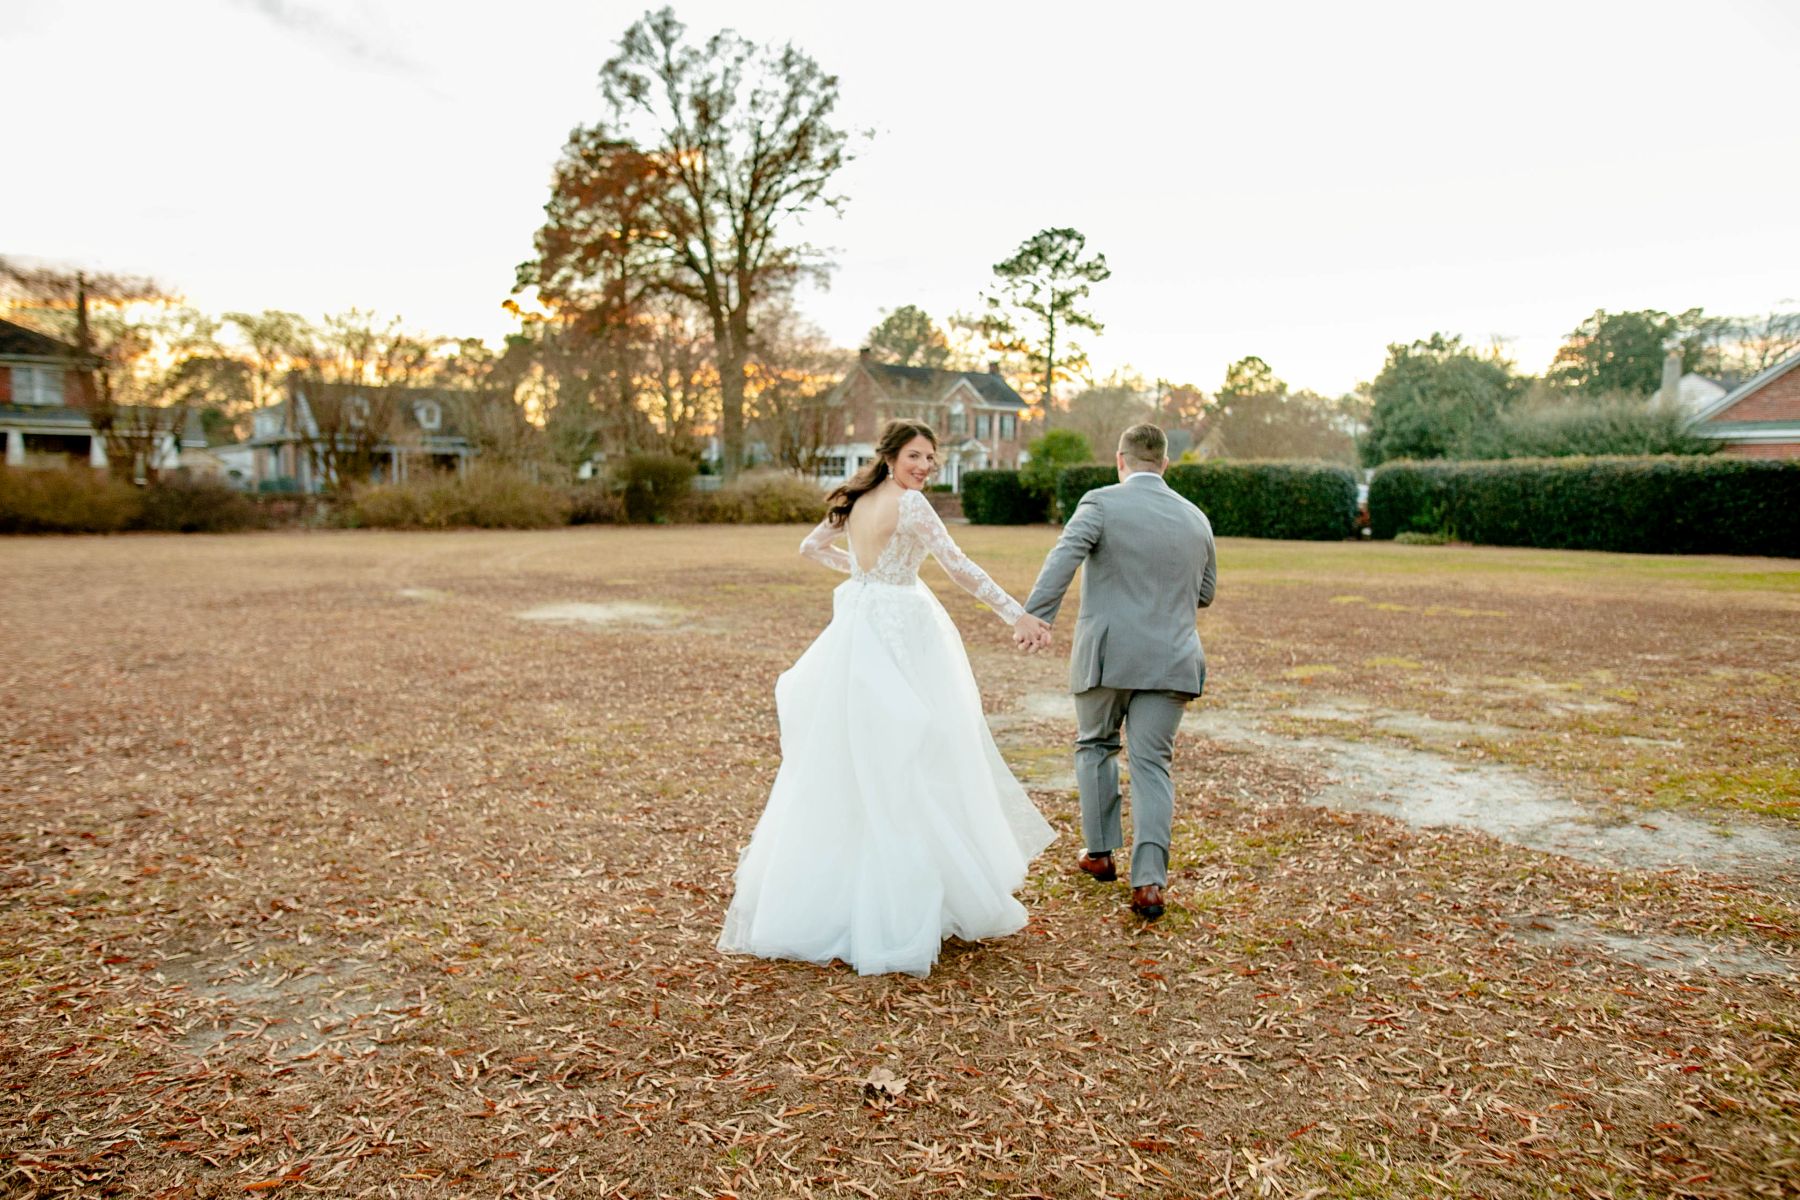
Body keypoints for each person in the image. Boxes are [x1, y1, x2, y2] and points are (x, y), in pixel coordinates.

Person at [718, 420, 1057, 978]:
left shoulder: (856, 499)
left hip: (857, 622)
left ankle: (836, 897)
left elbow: (810, 547)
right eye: (916, 456)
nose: (925, 467)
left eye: (931, 458)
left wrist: (860, 573)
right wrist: (1015, 613)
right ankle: (902, 905)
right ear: (892, 456)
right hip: (897, 626)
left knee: (860, 752)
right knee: (912, 752)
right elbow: (959, 569)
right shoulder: (912, 506)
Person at [1019, 423, 1216, 921]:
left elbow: (1064, 555)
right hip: (1172, 656)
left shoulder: (1100, 502)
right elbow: (1206, 593)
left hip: (1107, 654)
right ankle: (1149, 883)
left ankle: (1101, 853)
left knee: (1095, 745)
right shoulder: (1196, 518)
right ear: (1165, 464)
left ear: (1120, 459)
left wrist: (1037, 615)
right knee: (1153, 765)